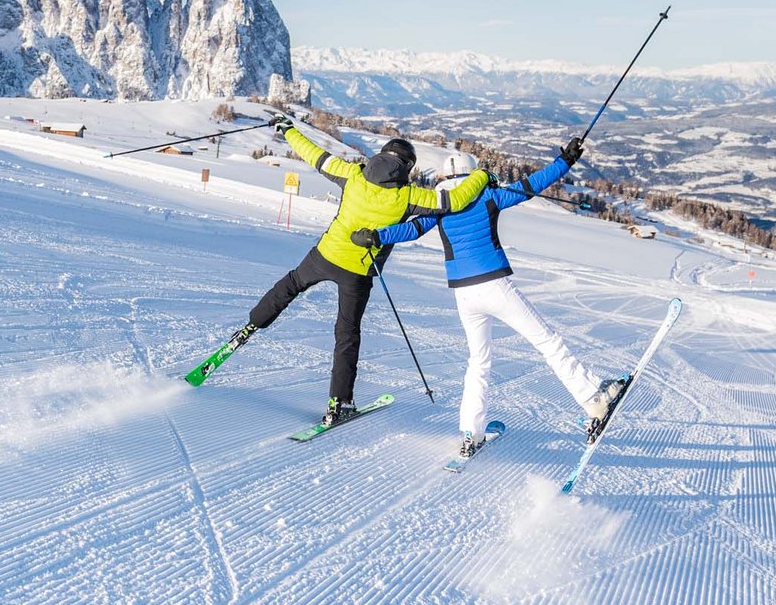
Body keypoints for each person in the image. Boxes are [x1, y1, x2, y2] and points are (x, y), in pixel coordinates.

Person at [355, 137, 625, 458]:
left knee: (478, 362)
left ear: (444, 176)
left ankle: (471, 432)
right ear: (472, 173)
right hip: (494, 284)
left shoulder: (437, 201)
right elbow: (531, 185)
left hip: (463, 293)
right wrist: (565, 160)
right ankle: (593, 398)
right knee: (547, 341)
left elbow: (412, 230)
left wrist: (377, 235)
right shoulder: (485, 193)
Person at [223, 114, 490, 428]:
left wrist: (288, 129)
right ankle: (339, 403)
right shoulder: (409, 196)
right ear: (408, 167)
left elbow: (314, 155)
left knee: (291, 284)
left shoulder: (353, 174)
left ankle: (248, 329)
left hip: (325, 254)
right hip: (359, 271)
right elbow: (456, 199)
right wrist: (483, 176)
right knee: (346, 335)